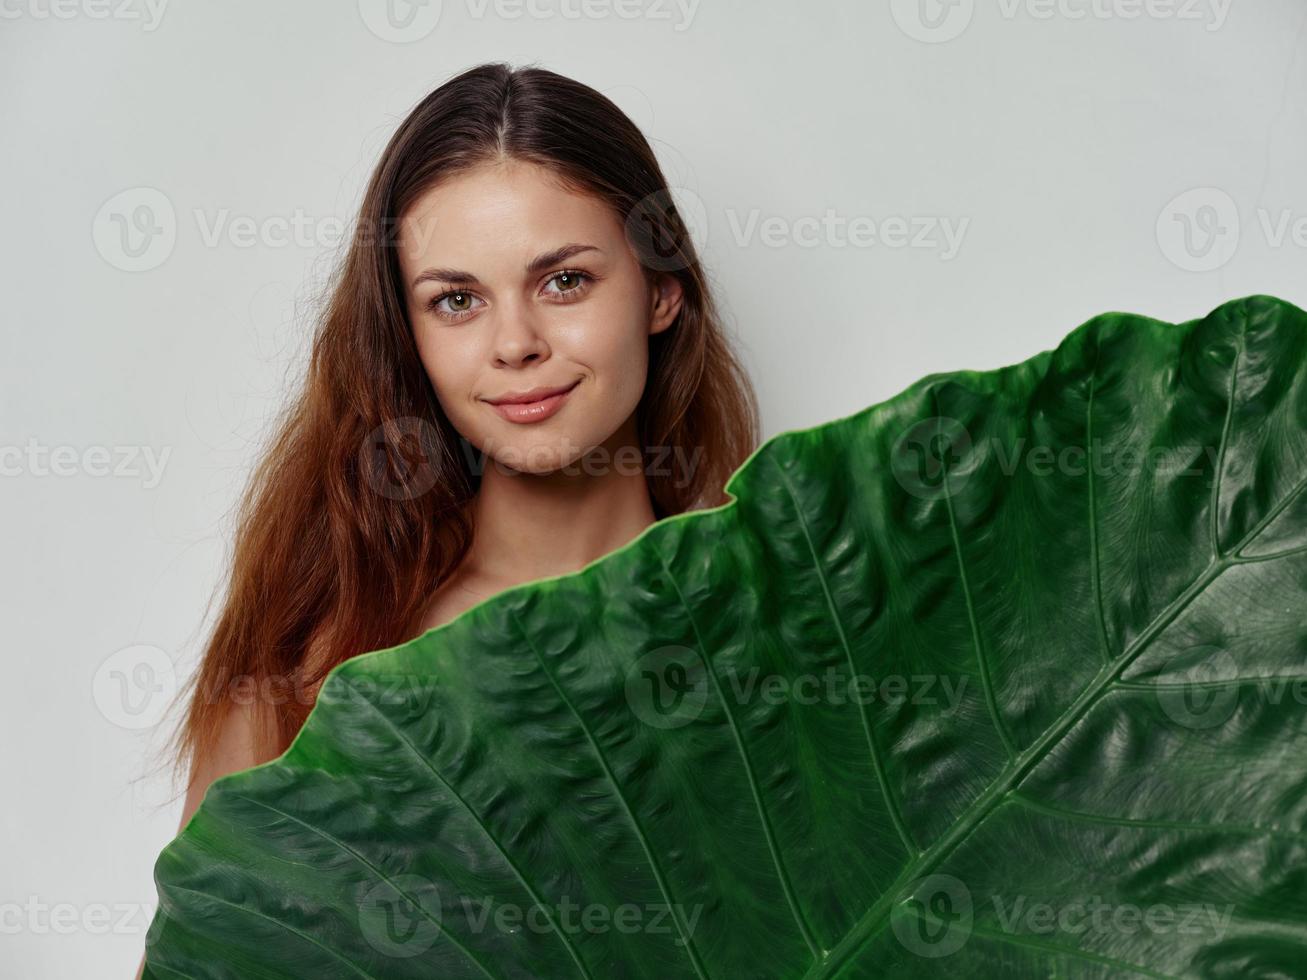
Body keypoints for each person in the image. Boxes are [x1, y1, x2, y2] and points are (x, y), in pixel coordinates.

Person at [137, 61, 758, 976]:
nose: (515, 344)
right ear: (410, 336)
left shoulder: (778, 630)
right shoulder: (318, 664)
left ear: (661, 292)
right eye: (456, 300)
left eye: (565, 282)